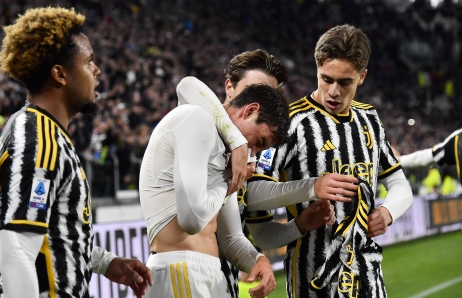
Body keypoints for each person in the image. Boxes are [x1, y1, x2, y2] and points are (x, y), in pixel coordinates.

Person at [0, 7, 152, 298]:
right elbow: (19, 252)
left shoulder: (36, 129)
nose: (97, 70)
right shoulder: (39, 138)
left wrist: (105, 262)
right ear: (60, 74)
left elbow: (51, 232)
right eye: (89, 62)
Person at [245, 25, 413, 297]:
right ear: (316, 70)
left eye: (344, 82)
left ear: (362, 77)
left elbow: (399, 183)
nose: (333, 91)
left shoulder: (369, 119)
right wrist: (312, 187)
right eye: (326, 79)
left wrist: (388, 212)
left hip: (368, 274)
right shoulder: (290, 123)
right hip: (313, 280)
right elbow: (250, 194)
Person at [176, 49, 359, 298]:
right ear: (229, 87)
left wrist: (299, 226)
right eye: (255, 89)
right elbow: (187, 85)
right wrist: (311, 186)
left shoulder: (255, 153)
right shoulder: (198, 122)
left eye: (270, 94)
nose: (262, 102)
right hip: (180, 277)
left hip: (223, 282)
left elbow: (255, 232)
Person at [139, 83, 291, 298]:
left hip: (206, 275)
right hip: (180, 270)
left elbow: (230, 238)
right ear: (250, 111)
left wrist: (258, 260)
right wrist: (230, 175)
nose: (252, 154)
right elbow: (191, 220)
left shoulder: (222, 154)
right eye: (257, 142)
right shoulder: (196, 118)